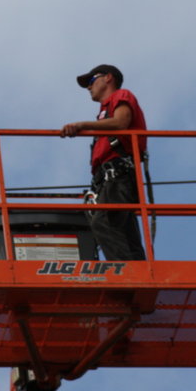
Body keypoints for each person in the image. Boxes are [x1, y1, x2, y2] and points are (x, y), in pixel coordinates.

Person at [60, 64, 147, 260]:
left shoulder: (121, 95)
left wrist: (81, 125)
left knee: (104, 221)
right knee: (121, 227)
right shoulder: (104, 112)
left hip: (118, 174)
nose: (89, 87)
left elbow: (121, 122)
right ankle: (137, 269)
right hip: (109, 179)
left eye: (91, 81)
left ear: (108, 78)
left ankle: (126, 271)